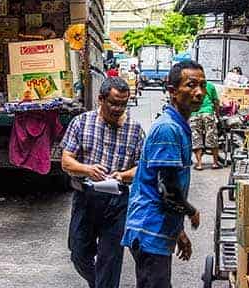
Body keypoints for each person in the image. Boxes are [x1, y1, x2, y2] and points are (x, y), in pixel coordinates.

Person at [122, 60, 204, 288]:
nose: (199, 92)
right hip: (149, 229)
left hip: (158, 229)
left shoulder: (178, 126)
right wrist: (191, 211)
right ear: (172, 91)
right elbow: (167, 190)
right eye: (191, 85)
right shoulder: (168, 129)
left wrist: (177, 231)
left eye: (202, 86)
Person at [61, 77, 145, 288]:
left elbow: (143, 168)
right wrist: (87, 169)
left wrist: (123, 175)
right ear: (100, 99)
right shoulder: (81, 123)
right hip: (85, 198)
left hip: (117, 203)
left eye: (123, 104)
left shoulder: (134, 129)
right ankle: (98, 283)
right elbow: (66, 161)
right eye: (114, 103)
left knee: (111, 259)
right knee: (78, 252)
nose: (118, 109)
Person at [190, 80, 222, 170]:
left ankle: (199, 164)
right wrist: (218, 114)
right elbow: (216, 101)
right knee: (212, 137)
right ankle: (215, 163)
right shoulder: (210, 86)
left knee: (196, 139)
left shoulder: (192, 86)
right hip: (208, 113)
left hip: (195, 114)